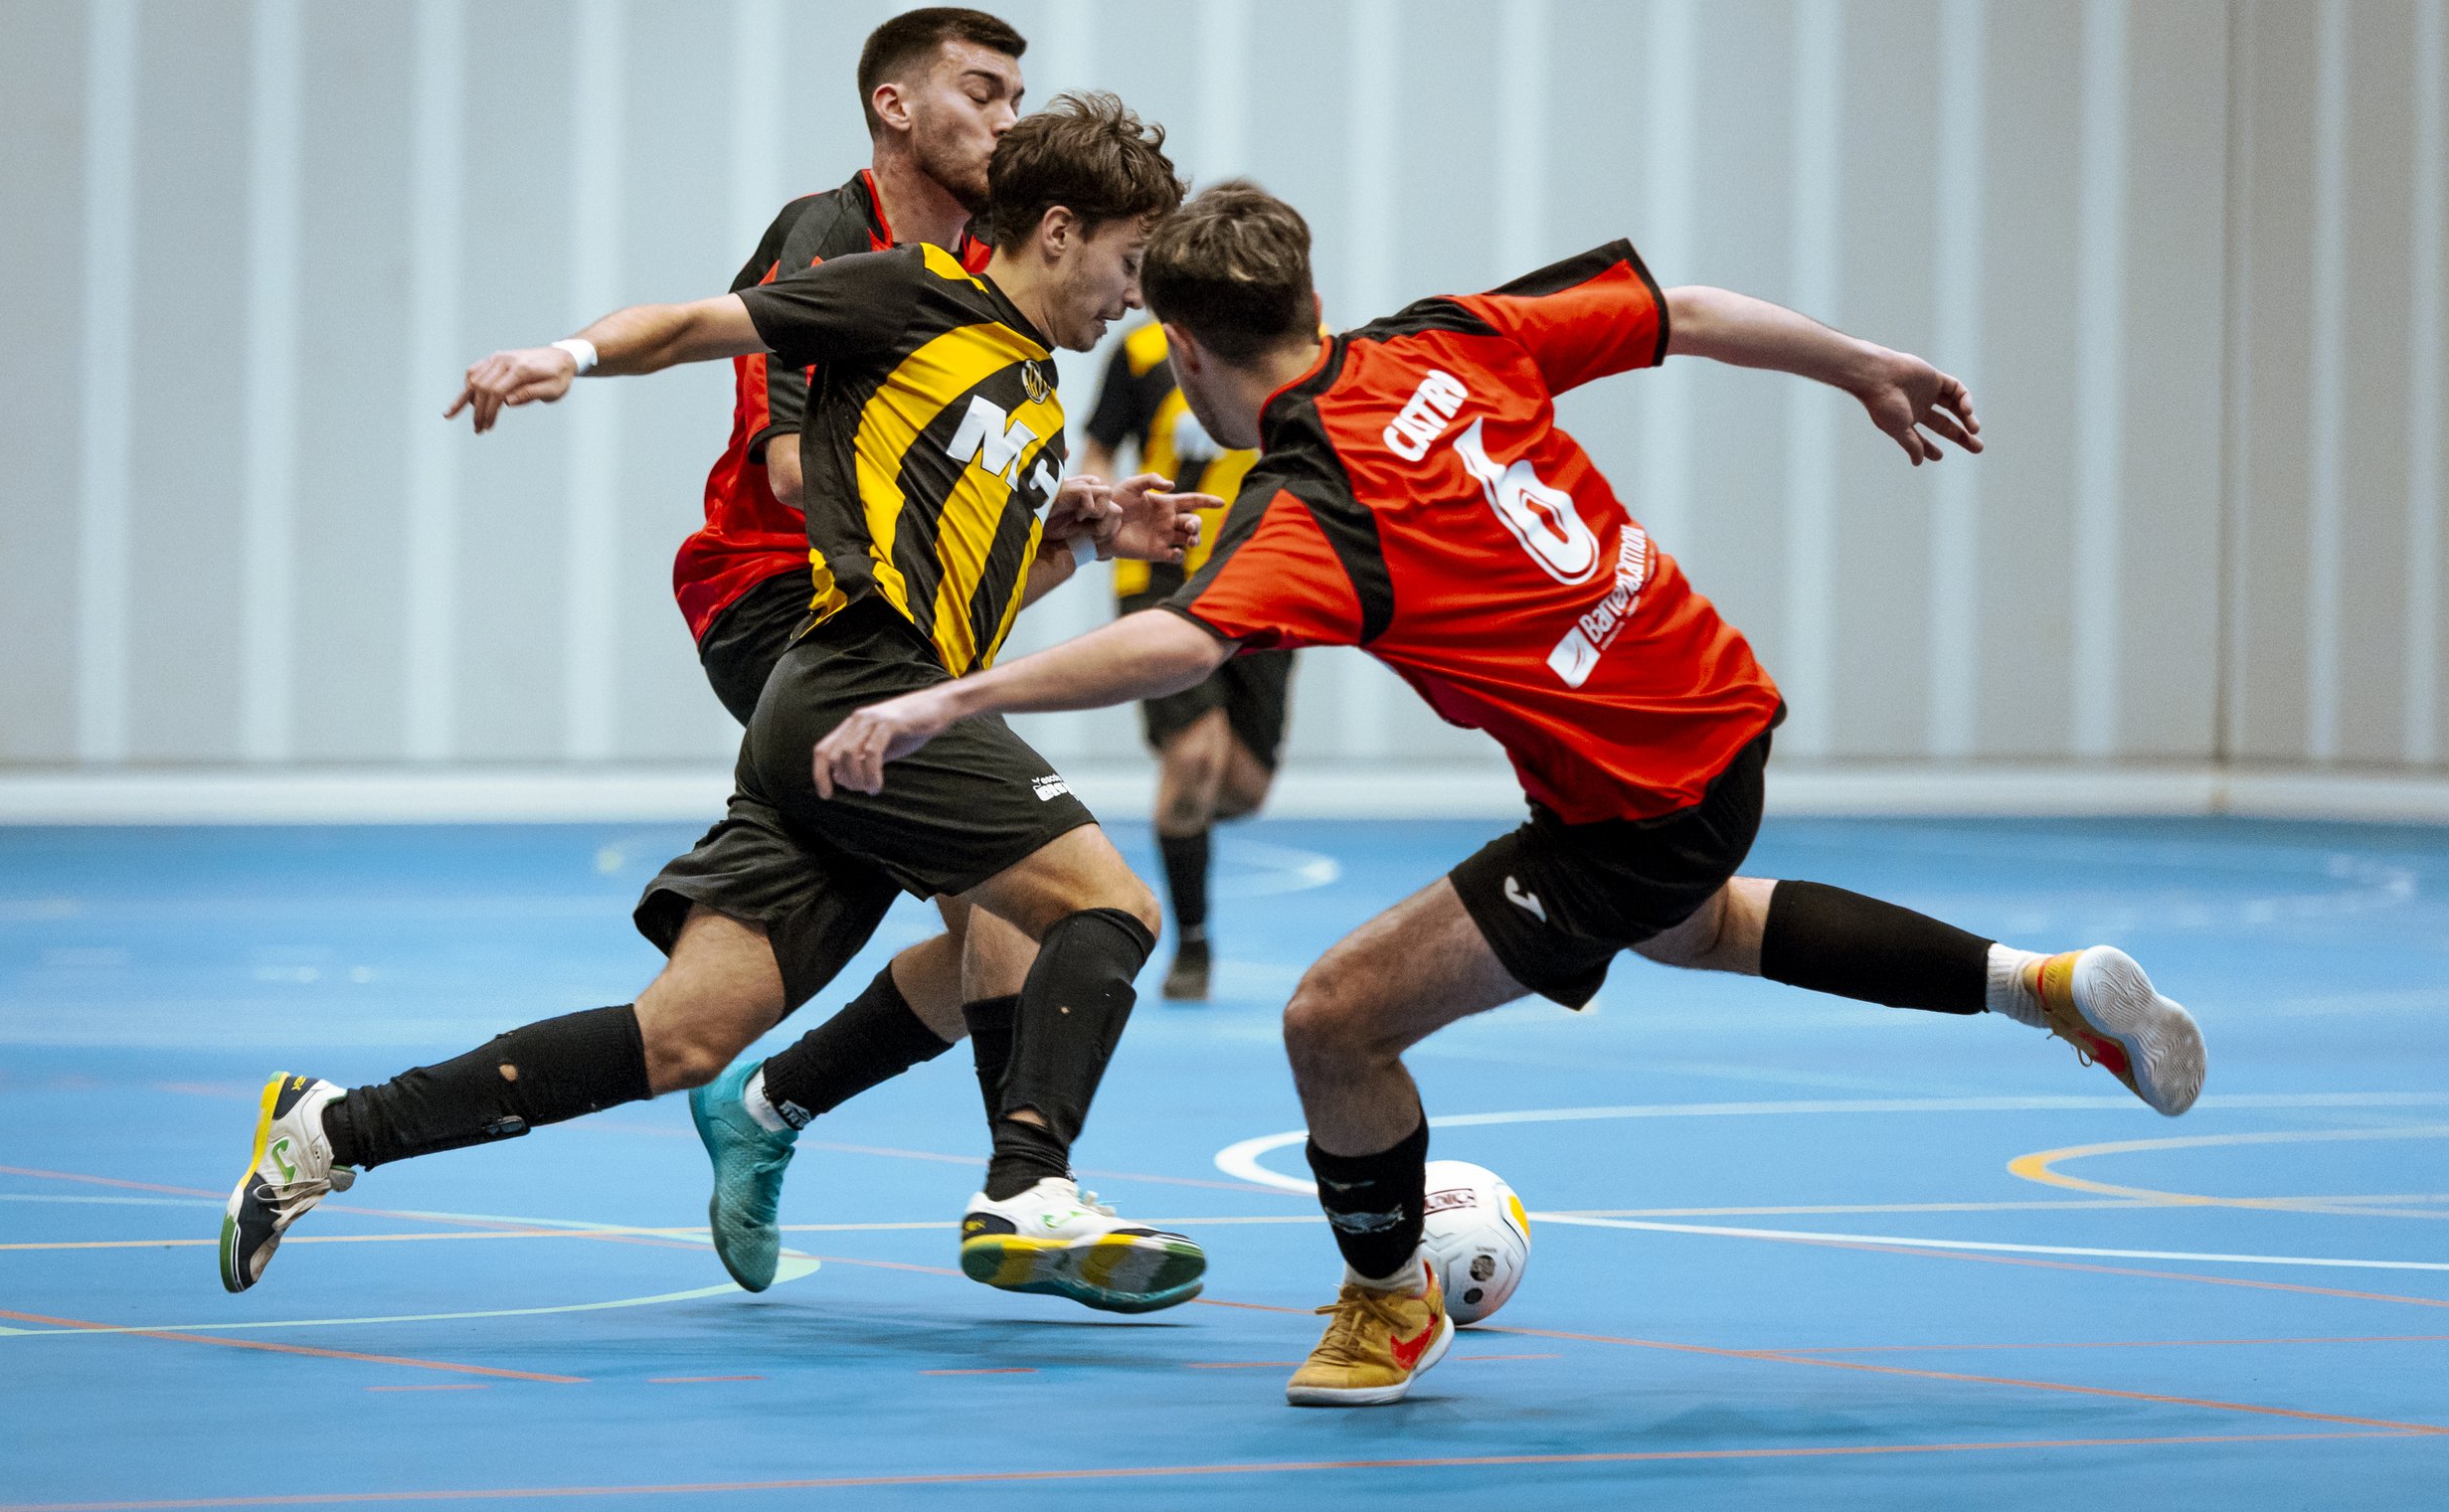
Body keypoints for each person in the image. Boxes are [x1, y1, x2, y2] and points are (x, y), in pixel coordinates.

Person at [805, 182, 2209, 1406]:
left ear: (1181, 349)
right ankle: (2047, 983)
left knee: (1336, 1019)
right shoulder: (1446, 333)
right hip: (1716, 706)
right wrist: (1859, 365)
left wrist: (951, 695)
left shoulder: (1314, 502)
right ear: (1314, 293)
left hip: (1632, 801)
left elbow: (1178, 641)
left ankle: (1390, 1301)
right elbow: (1692, 307)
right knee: (1692, 921)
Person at [223, 96, 1218, 1321]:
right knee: (1104, 905)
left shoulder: (1030, 393)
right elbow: (701, 323)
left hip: (859, 716)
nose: (1133, 298)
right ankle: (1028, 1183)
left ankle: (333, 1127)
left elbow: (975, 604)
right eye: (1128, 262)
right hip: (862, 682)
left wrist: (1086, 531)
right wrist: (567, 358)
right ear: (1057, 231)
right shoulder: (913, 295)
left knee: (679, 1036)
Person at [459, 6, 1045, 1292]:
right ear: (895, 106)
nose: (1007, 120)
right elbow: (790, 462)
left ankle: (768, 1100)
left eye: (1017, 97)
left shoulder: (1001, 272)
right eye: (983, 91)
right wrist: (566, 353)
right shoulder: (836, 239)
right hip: (776, 602)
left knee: (1006, 920)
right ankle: (1025, 1190)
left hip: (898, 624)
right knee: (1028, 882)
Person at [1078, 320, 1294, 999]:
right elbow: (1098, 449)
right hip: (1164, 580)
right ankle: (1193, 943)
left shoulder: (1293, 349)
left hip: (1266, 576)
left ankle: (1180, 810)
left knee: (1245, 786)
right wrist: (1103, 510)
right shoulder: (1143, 353)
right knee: (1196, 752)